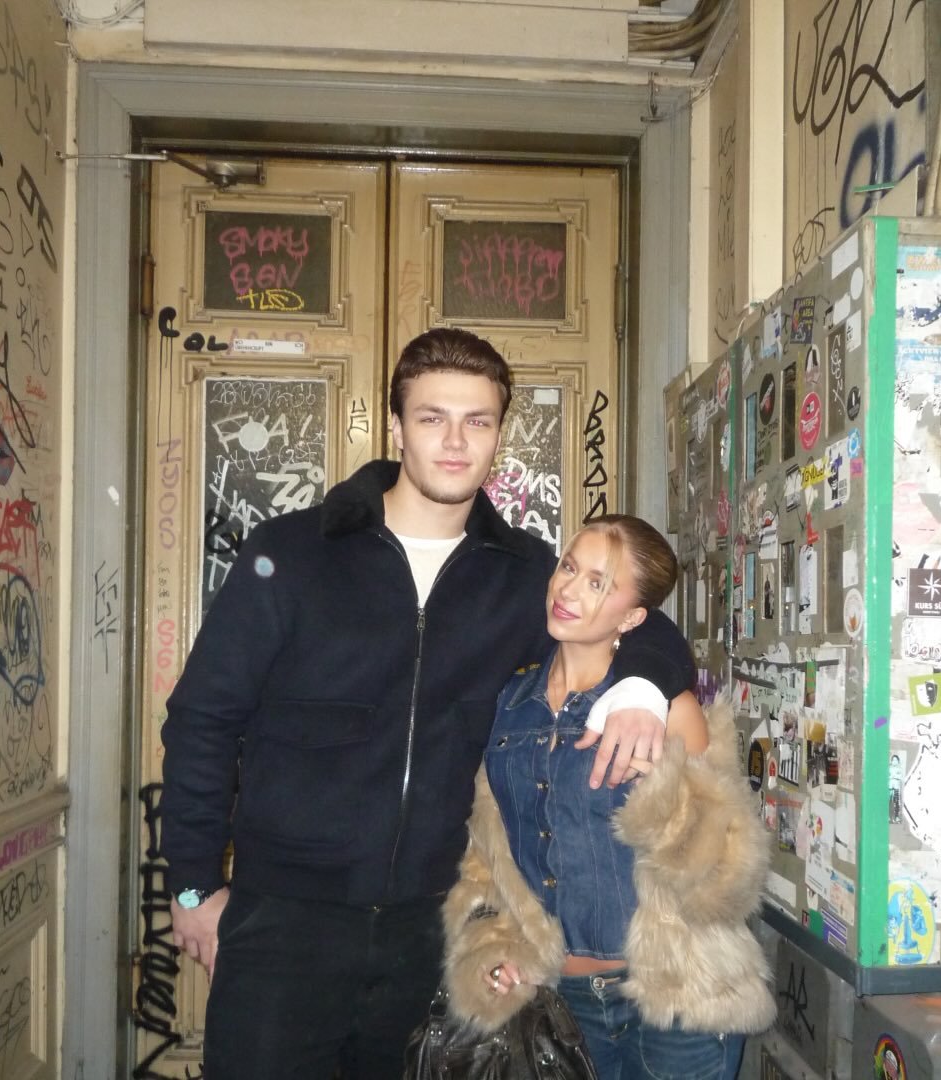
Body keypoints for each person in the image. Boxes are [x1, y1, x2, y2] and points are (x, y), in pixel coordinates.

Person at [159, 327, 696, 1079]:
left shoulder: (522, 574)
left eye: (477, 421)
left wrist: (639, 687)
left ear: (498, 436)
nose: (454, 441)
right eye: (432, 417)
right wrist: (191, 885)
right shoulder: (295, 553)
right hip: (284, 922)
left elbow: (648, 623)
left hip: (433, 932)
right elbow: (202, 721)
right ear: (396, 427)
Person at [440, 516, 775, 1080]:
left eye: (598, 582)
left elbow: (729, 882)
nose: (568, 589)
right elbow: (485, 860)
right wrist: (493, 947)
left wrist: (664, 802)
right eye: (569, 567)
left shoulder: (668, 710)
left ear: (634, 617)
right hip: (561, 1002)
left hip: (680, 1001)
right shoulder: (508, 705)